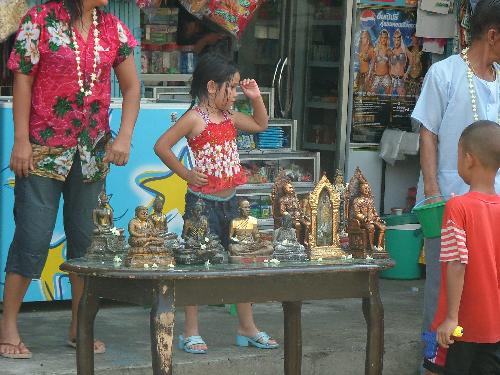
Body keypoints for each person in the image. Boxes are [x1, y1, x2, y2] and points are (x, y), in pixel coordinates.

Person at [0, 0, 140, 358]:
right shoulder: (40, 19)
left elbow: (132, 88)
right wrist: (20, 140)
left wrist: (123, 137)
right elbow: (23, 78)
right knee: (32, 236)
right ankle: (8, 326)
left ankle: (80, 325)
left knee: (87, 242)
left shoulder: (113, 28)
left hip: (92, 153)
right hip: (42, 147)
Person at [154, 53, 278, 354]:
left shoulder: (232, 115)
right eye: (231, 87)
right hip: (202, 203)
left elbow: (261, 124)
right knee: (196, 264)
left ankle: (247, 326)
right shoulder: (195, 117)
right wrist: (186, 173)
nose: (234, 93)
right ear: (212, 86)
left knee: (241, 261)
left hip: (231, 202)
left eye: (237, 88)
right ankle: (190, 331)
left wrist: (255, 97)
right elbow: (162, 146)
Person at [412, 0, 500, 369]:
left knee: (486, 288)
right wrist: (433, 193)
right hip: (449, 203)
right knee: (442, 289)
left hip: (492, 210)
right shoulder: (444, 74)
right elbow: (427, 134)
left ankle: (480, 358)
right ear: (493, 36)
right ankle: (435, 361)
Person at [423, 120, 500, 374]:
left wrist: (451, 317)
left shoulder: (457, 207)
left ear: (468, 159)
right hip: (494, 328)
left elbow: (456, 263)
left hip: (458, 327)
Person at [368, 29, 391, 95]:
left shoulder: (389, 50)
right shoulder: (376, 49)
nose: (383, 39)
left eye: (385, 38)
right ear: (380, 38)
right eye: (382, 37)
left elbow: (391, 65)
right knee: (371, 94)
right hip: (377, 76)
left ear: (387, 39)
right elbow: (372, 63)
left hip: (386, 76)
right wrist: (369, 74)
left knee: (388, 96)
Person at [389, 29, 409, 97]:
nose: (396, 41)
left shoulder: (404, 49)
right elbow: (389, 64)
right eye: (395, 39)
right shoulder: (391, 50)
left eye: (398, 39)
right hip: (392, 79)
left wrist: (407, 73)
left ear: (401, 40)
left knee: (402, 99)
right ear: (393, 39)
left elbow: (412, 60)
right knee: (390, 99)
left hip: (401, 78)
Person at [355, 30, 374, 95]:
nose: (363, 39)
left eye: (364, 37)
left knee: (368, 93)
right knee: (358, 91)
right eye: (362, 37)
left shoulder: (371, 48)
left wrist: (364, 56)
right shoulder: (360, 47)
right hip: (360, 72)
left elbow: (370, 60)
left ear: (368, 38)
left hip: (368, 74)